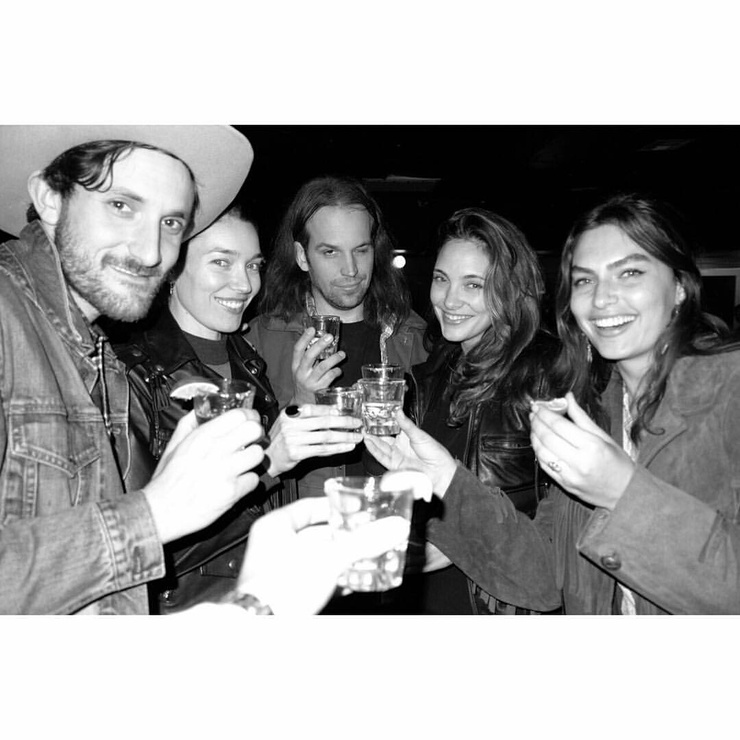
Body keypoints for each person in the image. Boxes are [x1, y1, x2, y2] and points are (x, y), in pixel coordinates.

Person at [366, 193, 740, 615]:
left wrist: (624, 493)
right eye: (584, 280)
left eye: (630, 273)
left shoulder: (729, 394)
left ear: (680, 287)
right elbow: (545, 579)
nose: (602, 298)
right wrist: (449, 481)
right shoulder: (596, 408)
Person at [0, 124, 269, 614]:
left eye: (171, 223)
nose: (151, 253)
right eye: (122, 206)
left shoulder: (98, 358)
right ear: (50, 199)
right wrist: (154, 514)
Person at [110, 201, 363, 612]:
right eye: (221, 262)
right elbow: (132, 553)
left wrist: (301, 401)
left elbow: (268, 510)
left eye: (253, 265)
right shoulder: (132, 375)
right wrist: (267, 464)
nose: (245, 284)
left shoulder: (248, 362)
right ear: (172, 268)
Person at [401, 207, 561, 614]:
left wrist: (461, 542)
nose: (449, 300)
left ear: (510, 290)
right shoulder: (430, 375)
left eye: (473, 284)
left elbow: (562, 529)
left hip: (498, 605)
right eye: (441, 279)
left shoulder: (547, 375)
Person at [248, 174, 427, 500]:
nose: (351, 269)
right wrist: (300, 402)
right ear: (302, 256)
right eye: (330, 252)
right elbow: (242, 473)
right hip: (306, 526)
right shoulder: (258, 342)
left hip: (395, 519)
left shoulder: (415, 337)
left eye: (361, 250)